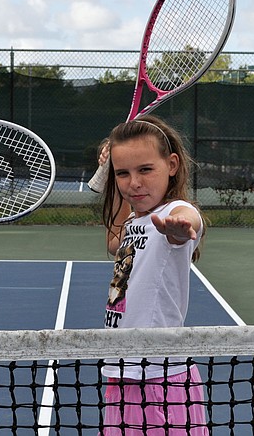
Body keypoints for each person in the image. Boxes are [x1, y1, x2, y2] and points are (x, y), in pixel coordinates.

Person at [97, 116, 208, 435]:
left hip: (160, 377)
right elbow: (114, 240)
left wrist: (180, 228)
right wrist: (109, 173)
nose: (134, 182)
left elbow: (187, 220)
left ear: (171, 164)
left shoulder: (174, 214)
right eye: (123, 173)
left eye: (145, 169)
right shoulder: (135, 220)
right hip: (121, 370)